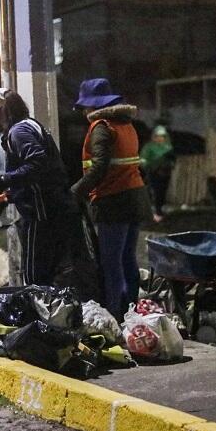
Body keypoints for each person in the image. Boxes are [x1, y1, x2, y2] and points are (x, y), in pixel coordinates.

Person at [0, 88, 80, 287]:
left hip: (41, 213)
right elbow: (35, 177)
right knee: (52, 270)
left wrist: (2, 180)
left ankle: (40, 314)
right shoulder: (31, 125)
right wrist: (7, 197)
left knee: (36, 274)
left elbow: (37, 164)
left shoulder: (18, 132)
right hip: (55, 207)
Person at [70, 78, 151, 319]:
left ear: (93, 107)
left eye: (85, 107)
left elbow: (99, 167)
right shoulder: (126, 125)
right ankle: (131, 308)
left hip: (114, 201)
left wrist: (75, 192)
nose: (84, 112)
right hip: (135, 197)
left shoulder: (101, 127)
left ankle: (115, 311)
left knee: (111, 261)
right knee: (127, 257)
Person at [140, 125, 176, 222]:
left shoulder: (168, 147)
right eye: (158, 136)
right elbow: (143, 159)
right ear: (154, 136)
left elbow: (173, 160)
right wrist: (148, 165)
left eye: (162, 136)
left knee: (162, 192)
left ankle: (160, 210)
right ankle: (154, 212)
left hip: (165, 173)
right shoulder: (149, 147)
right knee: (154, 192)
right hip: (153, 173)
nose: (160, 138)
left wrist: (170, 164)